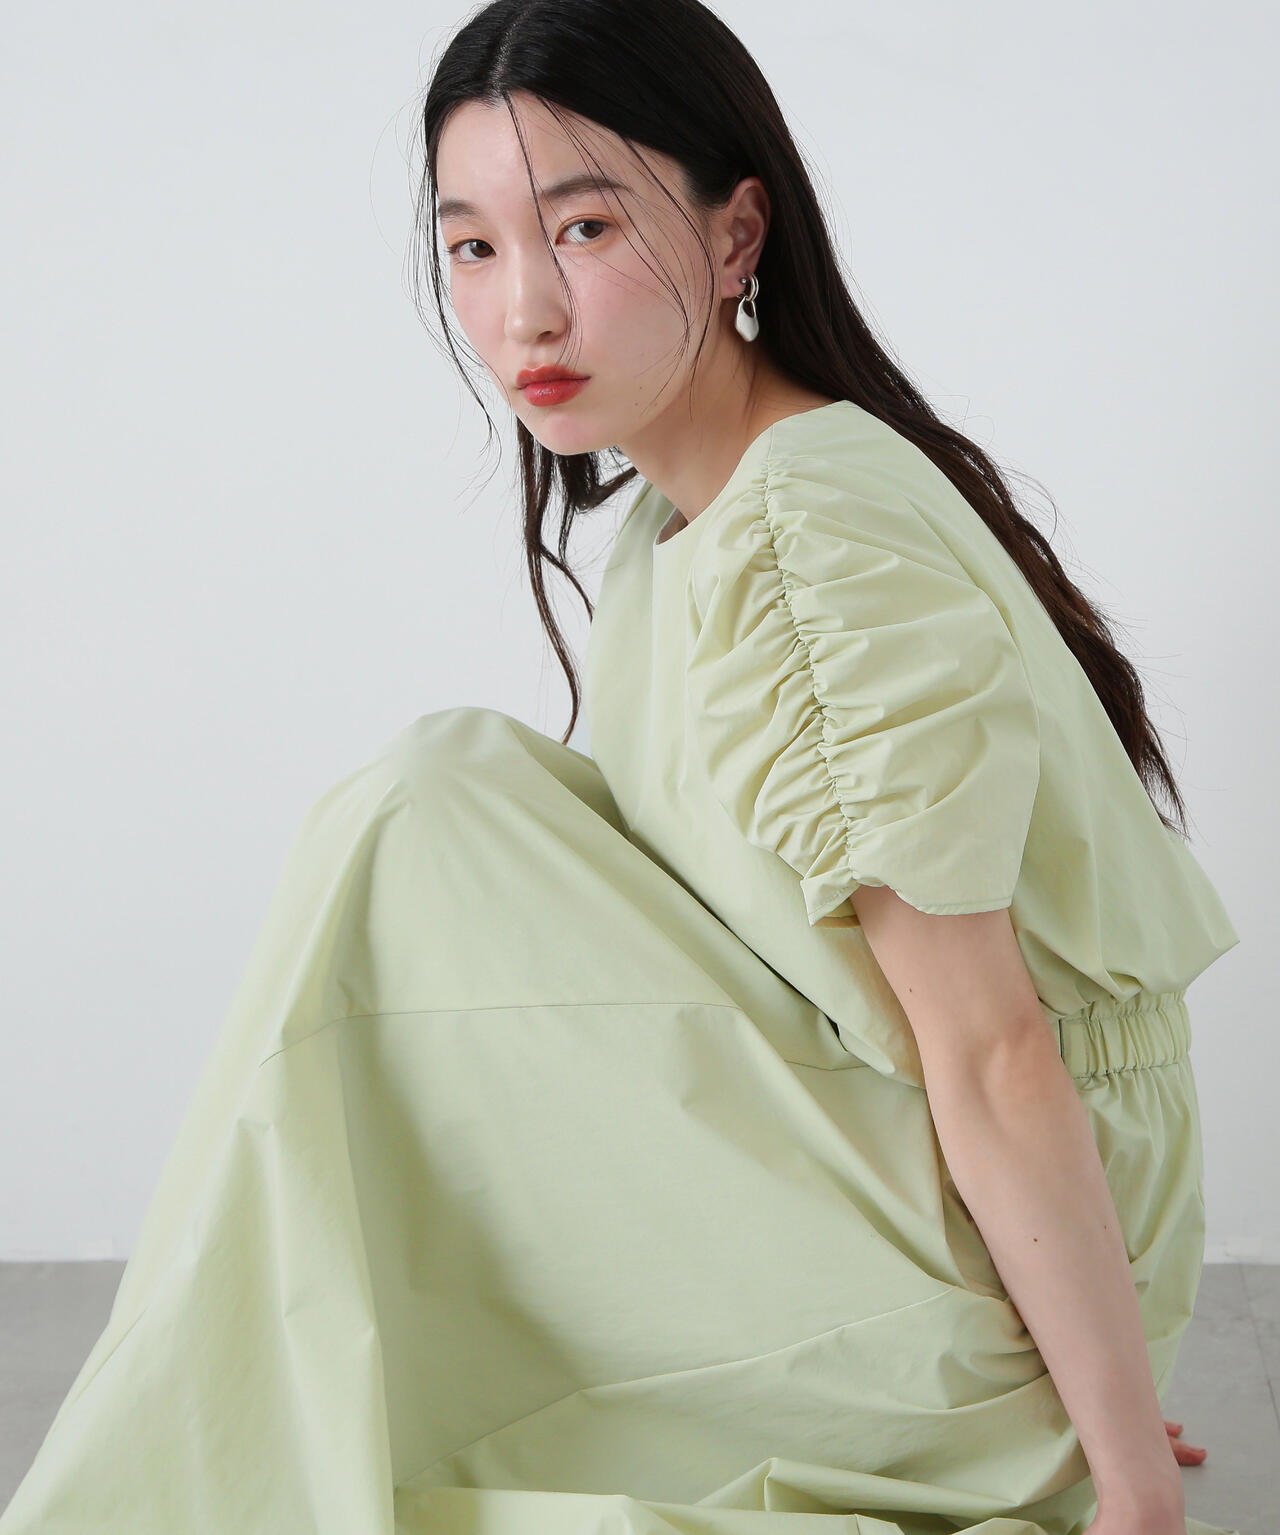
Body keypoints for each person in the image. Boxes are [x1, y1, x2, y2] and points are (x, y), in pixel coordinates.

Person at [0, 2, 1242, 1533]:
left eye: (582, 229)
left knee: (420, 821)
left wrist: (1120, 1466)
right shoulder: (679, 521)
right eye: (473, 247)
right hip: (956, 1198)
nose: (524, 310)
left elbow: (992, 1049)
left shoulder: (813, 537)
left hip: (977, 1250)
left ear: (736, 239)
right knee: (440, 814)